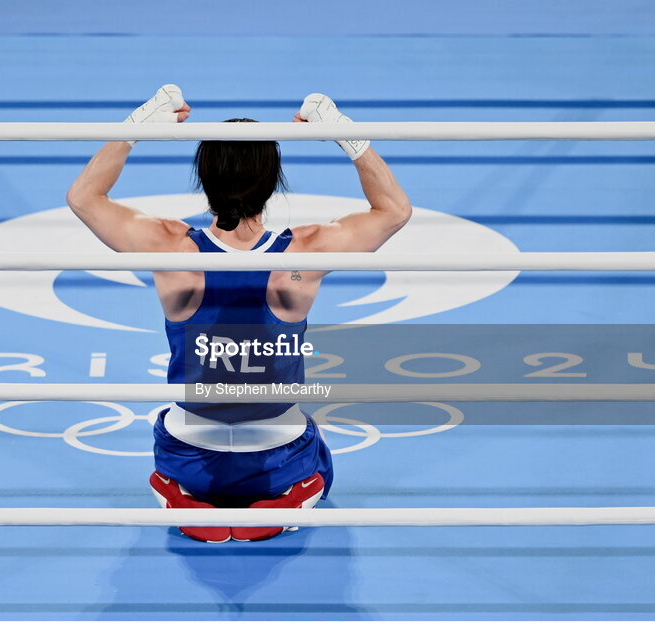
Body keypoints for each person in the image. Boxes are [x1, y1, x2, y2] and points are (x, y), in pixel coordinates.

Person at [66, 85, 411, 543]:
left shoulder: (171, 248)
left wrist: (135, 129)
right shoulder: (303, 255)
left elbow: (84, 198)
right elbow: (394, 210)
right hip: (276, 461)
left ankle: (179, 494)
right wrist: (347, 137)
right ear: (274, 182)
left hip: (190, 459)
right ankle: (293, 496)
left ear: (203, 178)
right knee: (319, 459)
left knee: (176, 436)